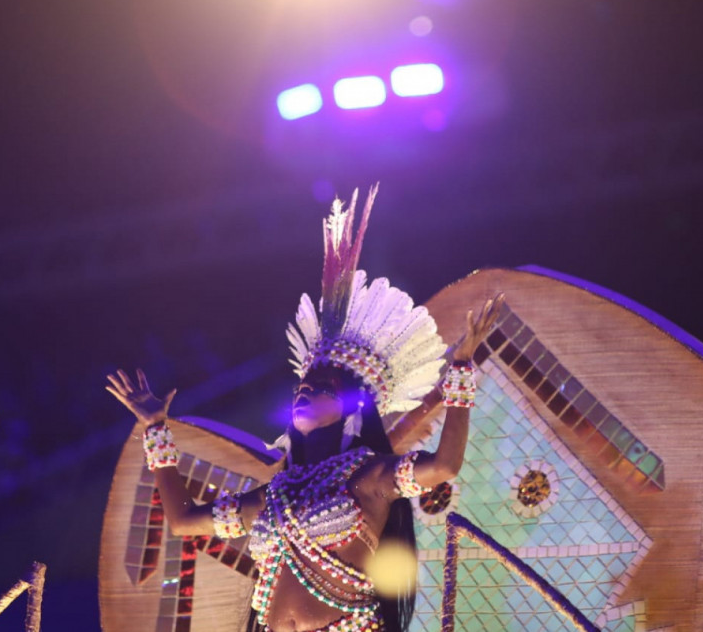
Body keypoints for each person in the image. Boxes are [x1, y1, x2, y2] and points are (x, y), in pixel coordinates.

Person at [107, 186, 503, 632]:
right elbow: (182, 522)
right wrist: (156, 429)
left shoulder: (369, 477)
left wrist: (463, 368)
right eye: (302, 385)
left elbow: (445, 465)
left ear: (353, 409)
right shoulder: (275, 495)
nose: (304, 391)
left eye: (320, 388)